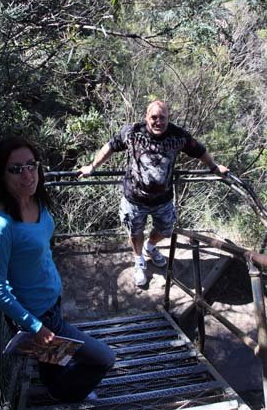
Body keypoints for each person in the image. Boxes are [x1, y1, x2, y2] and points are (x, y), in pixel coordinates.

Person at [0, 135, 115, 402]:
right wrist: (35, 326)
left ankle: (56, 384)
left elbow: (39, 249)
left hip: (52, 302)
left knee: (53, 359)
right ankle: (65, 393)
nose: (27, 174)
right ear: (0, 174)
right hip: (38, 315)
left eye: (31, 165)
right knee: (104, 358)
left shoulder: (35, 202)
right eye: (16, 169)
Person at [78, 100, 229, 286]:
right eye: (154, 117)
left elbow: (199, 151)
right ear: (146, 117)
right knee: (135, 231)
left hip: (163, 200)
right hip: (134, 198)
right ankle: (138, 259)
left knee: (166, 228)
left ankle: (150, 247)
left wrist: (214, 168)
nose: (158, 121)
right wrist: (92, 167)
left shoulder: (178, 136)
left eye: (162, 117)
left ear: (168, 118)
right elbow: (110, 146)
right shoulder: (132, 132)